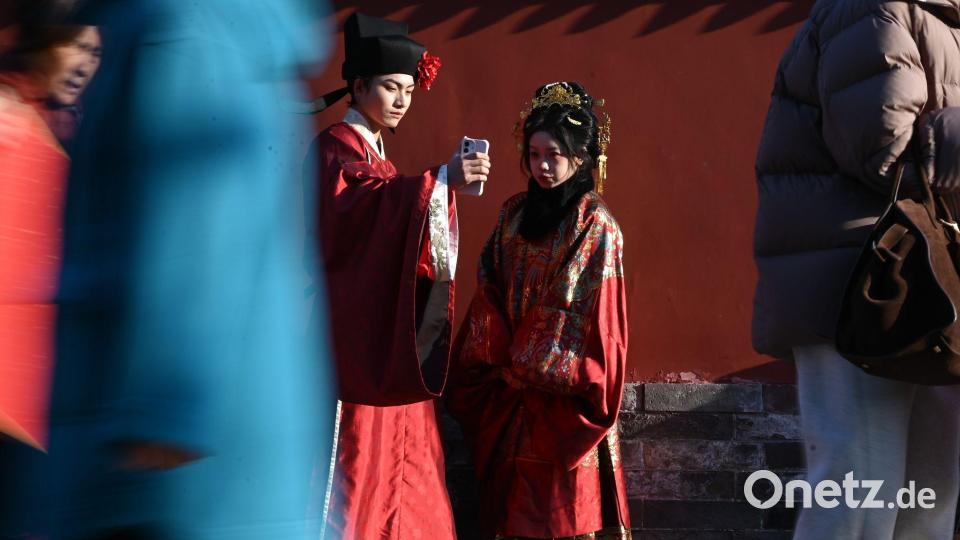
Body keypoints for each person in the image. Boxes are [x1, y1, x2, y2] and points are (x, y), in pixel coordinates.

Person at [43, 1, 334, 538]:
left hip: (163, 480)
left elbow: (197, 211)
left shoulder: (183, 27)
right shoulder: (194, 28)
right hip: (200, 471)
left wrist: (161, 412)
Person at [753, 1, 960, 538]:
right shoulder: (872, 8)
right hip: (864, 288)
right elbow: (882, 147)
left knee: (927, 509)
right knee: (858, 501)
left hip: (930, 292)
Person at [306, 12, 491, 539]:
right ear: (359, 85)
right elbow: (360, 214)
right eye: (391, 87)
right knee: (357, 467)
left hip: (382, 339)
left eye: (409, 90)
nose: (402, 100)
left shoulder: (375, 157)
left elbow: (394, 216)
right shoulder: (335, 148)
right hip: (351, 345)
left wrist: (438, 190)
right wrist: (440, 182)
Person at [446, 81, 631, 539]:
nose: (542, 166)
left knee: (561, 518)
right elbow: (488, 286)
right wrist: (499, 356)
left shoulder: (595, 223)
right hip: (510, 393)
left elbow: (586, 312)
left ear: (581, 157)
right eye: (533, 155)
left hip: (562, 403)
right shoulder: (511, 214)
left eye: (554, 155)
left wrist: (526, 361)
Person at [0, 3, 100, 535]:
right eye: (76, 46)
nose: (86, 63)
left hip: (47, 400)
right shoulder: (10, 119)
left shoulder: (67, 127)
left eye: (95, 52)